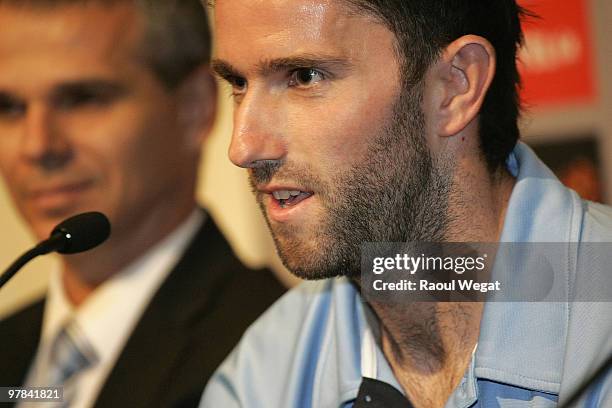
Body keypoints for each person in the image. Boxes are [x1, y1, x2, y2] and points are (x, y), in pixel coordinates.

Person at [201, 0, 612, 407]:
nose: (243, 146)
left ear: (454, 86)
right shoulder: (262, 380)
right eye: (238, 83)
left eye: (304, 77)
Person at [0, 1, 284, 407]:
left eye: (82, 99)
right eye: (9, 107)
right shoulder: (7, 346)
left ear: (194, 108)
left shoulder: (272, 349)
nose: (38, 145)